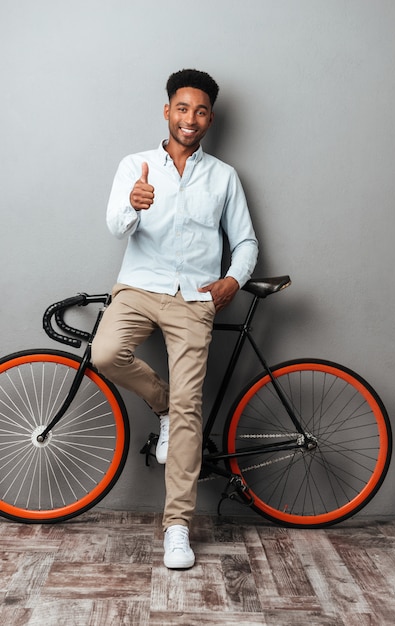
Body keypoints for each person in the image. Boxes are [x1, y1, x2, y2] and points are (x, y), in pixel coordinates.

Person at [91, 69, 258, 569]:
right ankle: (162, 406)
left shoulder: (224, 176)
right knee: (105, 354)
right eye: (182, 108)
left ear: (210, 117)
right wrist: (133, 205)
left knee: (192, 405)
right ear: (167, 111)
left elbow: (246, 242)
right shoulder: (136, 165)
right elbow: (116, 226)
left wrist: (233, 280)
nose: (191, 118)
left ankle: (178, 527)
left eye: (201, 110)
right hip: (140, 287)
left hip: (195, 301)